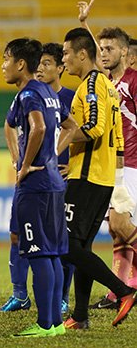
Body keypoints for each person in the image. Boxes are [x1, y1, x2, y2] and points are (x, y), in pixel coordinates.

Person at [58, 27, 137, 329]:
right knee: (81, 247)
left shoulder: (90, 86)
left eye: (66, 53)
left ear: (81, 54)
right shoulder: (105, 84)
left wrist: (58, 147)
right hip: (102, 177)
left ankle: (124, 290)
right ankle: (80, 316)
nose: (64, 60)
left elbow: (93, 127)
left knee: (66, 245)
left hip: (87, 177)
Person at [0, 38, 73, 336]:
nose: (2, 66)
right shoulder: (47, 91)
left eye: (6, 59)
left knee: (38, 252)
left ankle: (45, 324)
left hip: (36, 184)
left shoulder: (29, 93)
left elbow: (39, 127)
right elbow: (72, 126)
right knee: (53, 253)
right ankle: (55, 323)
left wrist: (26, 163)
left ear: (20, 64)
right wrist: (52, 157)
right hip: (54, 183)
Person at [84, 25, 137, 309]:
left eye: (109, 49)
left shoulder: (134, 82)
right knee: (116, 232)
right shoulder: (103, 83)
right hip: (112, 165)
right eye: (101, 49)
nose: (103, 54)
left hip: (132, 165)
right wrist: (85, 24)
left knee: (121, 223)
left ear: (125, 53)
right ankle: (121, 290)